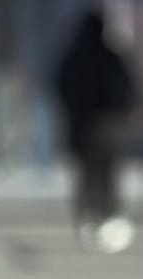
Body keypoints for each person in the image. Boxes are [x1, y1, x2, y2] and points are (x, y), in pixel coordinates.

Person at [54, 10, 138, 252]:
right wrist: (124, 110)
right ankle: (109, 217)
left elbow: (60, 87)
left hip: (83, 127)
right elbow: (129, 88)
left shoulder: (73, 57)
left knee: (87, 175)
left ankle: (88, 220)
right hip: (109, 126)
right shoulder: (112, 56)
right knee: (109, 176)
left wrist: (74, 110)